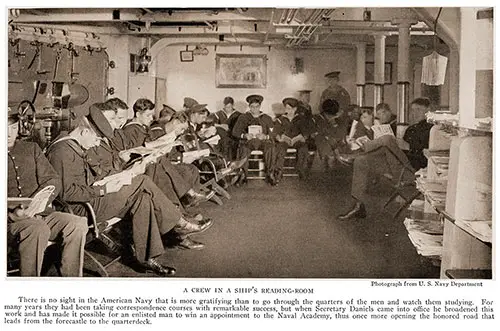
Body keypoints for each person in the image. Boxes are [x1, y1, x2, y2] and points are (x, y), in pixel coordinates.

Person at [46, 115, 213, 275]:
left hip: (94, 197)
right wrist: (103, 189)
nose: (96, 144)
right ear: (84, 132)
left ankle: (147, 257)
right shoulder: (62, 151)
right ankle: (179, 223)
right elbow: (67, 193)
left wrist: (115, 178)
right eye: (96, 139)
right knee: (142, 181)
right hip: (82, 209)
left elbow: (89, 178)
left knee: (143, 198)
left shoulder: (74, 146)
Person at [7, 107, 88, 277]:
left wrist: (40, 200)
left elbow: (52, 179)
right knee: (37, 228)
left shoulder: (31, 149)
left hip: (41, 214)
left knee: (77, 223)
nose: (9, 134)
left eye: (13, 128)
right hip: (10, 222)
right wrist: (13, 214)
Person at [103, 98, 215, 210]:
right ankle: (183, 205)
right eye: (148, 115)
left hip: (143, 164)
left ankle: (187, 203)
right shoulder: (131, 129)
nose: (151, 119)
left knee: (185, 168)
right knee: (164, 166)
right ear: (138, 114)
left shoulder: (137, 129)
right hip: (134, 169)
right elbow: (131, 153)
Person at [337, 135, 415, 221]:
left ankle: (356, 153)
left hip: (408, 169)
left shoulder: (431, 131)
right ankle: (358, 206)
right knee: (361, 161)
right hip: (394, 160)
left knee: (387, 139)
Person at [232, 94, 275, 185]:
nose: (254, 109)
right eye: (252, 107)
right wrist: (244, 135)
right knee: (243, 148)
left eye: (257, 106)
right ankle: (243, 175)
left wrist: (265, 136)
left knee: (270, 147)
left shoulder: (266, 118)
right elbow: (235, 132)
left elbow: (273, 133)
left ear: (260, 106)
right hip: (249, 141)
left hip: (263, 141)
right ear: (249, 106)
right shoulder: (243, 117)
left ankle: (270, 174)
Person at [273, 97, 314, 181]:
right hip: (284, 141)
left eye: (291, 108)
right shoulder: (280, 119)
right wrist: (279, 137)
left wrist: (301, 137)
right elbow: (275, 132)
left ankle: (301, 169)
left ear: (295, 109)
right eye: (287, 108)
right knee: (280, 149)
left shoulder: (301, 119)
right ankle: (279, 171)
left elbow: (305, 132)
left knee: (303, 148)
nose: (289, 111)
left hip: (297, 141)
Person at [310, 99, 347, 169]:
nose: (332, 117)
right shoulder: (316, 119)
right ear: (325, 113)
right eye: (330, 115)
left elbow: (340, 134)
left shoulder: (335, 120)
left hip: (332, 144)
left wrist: (334, 124)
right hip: (317, 143)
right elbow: (322, 134)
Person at [403, 98, 434, 171]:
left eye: (418, 109)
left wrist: (409, 147)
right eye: (413, 110)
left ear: (428, 110)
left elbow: (428, 154)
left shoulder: (433, 129)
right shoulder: (410, 129)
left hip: (423, 168)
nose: (415, 113)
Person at [207, 96, 241, 161]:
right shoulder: (218, 114)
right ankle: (223, 161)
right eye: (226, 107)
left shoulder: (238, 115)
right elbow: (210, 124)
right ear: (224, 105)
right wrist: (221, 125)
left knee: (229, 142)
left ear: (233, 105)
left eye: (230, 107)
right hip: (221, 137)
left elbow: (238, 127)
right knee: (221, 134)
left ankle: (228, 161)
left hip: (233, 136)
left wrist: (228, 129)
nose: (228, 109)